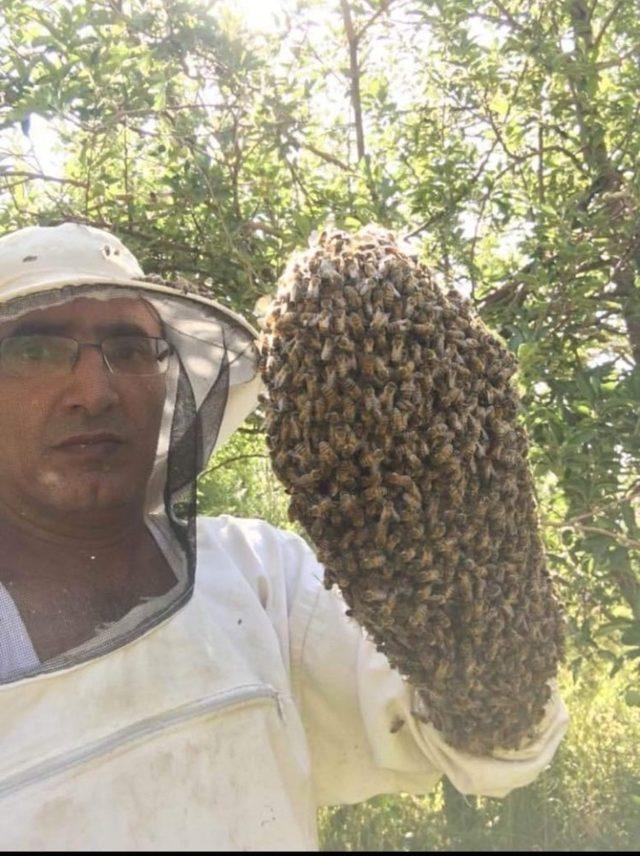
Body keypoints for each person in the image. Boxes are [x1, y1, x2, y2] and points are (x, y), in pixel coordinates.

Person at [0, 222, 569, 850]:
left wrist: (475, 534)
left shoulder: (262, 576)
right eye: (36, 351)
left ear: (168, 383)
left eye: (131, 350)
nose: (95, 391)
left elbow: (488, 741)